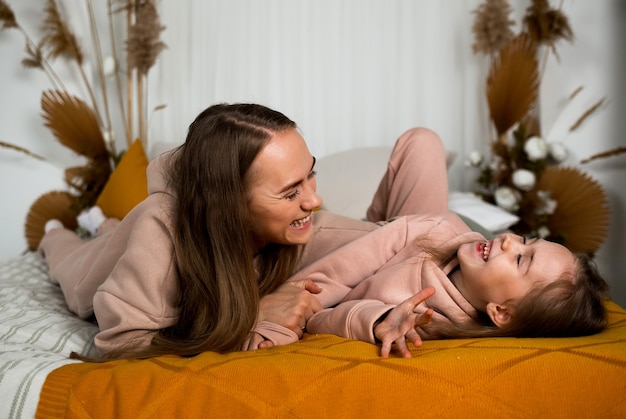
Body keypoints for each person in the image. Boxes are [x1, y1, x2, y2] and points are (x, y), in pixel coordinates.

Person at [38, 103, 446, 359]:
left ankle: (105, 223)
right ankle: (67, 230)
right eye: (290, 193)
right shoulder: (161, 229)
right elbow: (121, 342)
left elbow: (392, 239)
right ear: (229, 204)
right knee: (66, 255)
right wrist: (246, 319)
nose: (314, 201)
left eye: (311, 176)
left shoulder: (301, 229)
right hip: (102, 266)